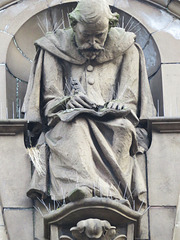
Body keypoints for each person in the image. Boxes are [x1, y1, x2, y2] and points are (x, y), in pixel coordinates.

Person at [22, 0, 156, 207]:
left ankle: (112, 193)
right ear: (74, 25)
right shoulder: (53, 47)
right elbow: (49, 101)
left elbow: (130, 98)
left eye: (99, 36)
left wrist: (120, 105)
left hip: (113, 119)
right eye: (86, 36)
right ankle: (79, 187)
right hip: (69, 117)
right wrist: (67, 101)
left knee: (123, 129)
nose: (93, 43)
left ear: (109, 29)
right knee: (75, 125)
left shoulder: (127, 47)